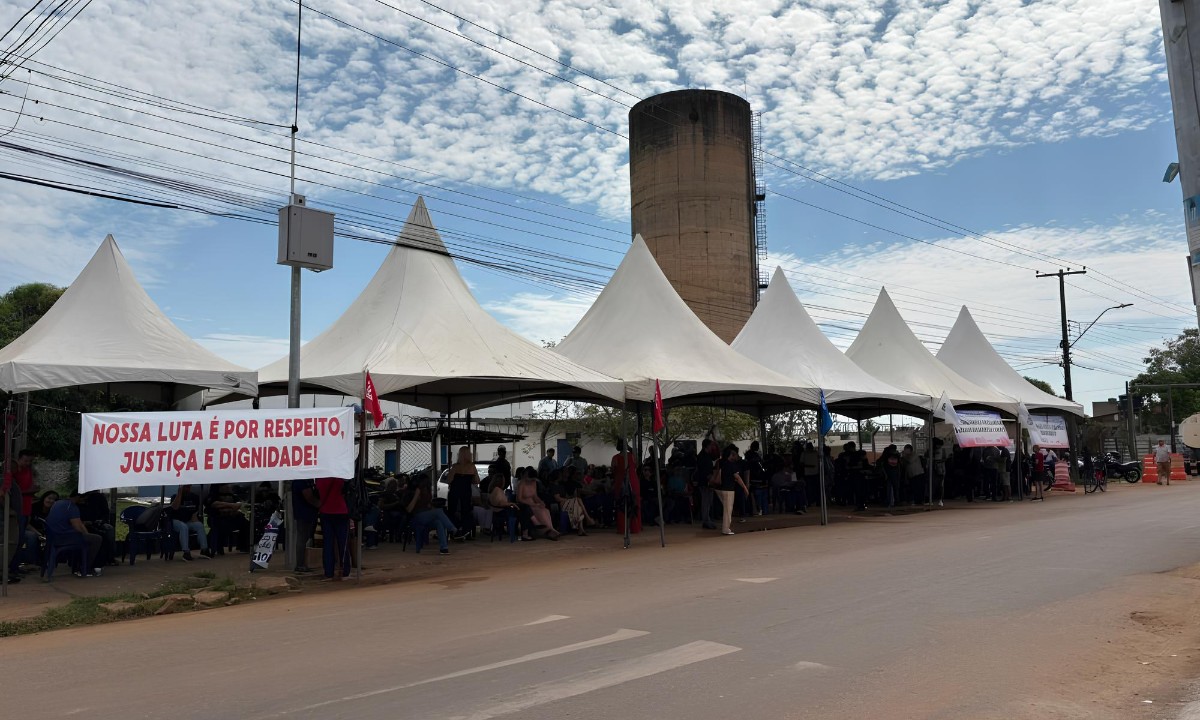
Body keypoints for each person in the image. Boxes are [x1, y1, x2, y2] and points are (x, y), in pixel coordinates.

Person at [44, 492, 102, 577]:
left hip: (53, 535)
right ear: (78, 497)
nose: (84, 502)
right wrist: (87, 534)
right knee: (96, 539)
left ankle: (78, 566)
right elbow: (77, 527)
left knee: (87, 538)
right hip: (63, 538)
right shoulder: (71, 507)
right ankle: (85, 567)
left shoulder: (58, 503)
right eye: (84, 499)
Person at [404, 473, 459, 553]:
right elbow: (409, 510)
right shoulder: (415, 491)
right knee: (438, 511)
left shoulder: (427, 493)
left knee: (439, 522)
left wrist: (431, 506)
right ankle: (454, 530)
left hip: (427, 516)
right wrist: (416, 496)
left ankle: (444, 548)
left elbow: (429, 506)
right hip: (417, 517)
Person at [4, 449, 34, 577]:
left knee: (21, 540)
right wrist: (28, 491)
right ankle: (11, 567)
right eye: (25, 460)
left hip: (27, 508)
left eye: (29, 461)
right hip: (18, 510)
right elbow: (12, 491)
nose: (27, 463)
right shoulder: (14, 471)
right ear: (19, 458)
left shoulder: (28, 470)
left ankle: (16, 565)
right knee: (15, 539)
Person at [316, 476, 351, 577]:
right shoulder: (340, 477)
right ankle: (345, 569)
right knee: (343, 542)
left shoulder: (320, 478)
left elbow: (319, 493)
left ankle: (328, 571)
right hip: (341, 511)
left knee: (328, 543)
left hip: (325, 511)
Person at [169, 484, 211, 561]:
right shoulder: (175, 497)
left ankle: (204, 549)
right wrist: (180, 493)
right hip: (175, 521)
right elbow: (175, 507)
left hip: (188, 521)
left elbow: (194, 514)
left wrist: (195, 520)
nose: (187, 489)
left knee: (199, 525)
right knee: (183, 527)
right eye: (185, 487)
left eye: (189, 487)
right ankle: (186, 552)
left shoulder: (194, 497)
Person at [516, 467, 559, 539]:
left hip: (534, 504)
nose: (531, 481)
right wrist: (532, 504)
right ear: (526, 476)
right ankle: (548, 531)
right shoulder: (521, 483)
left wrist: (541, 502)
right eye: (530, 479)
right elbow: (519, 499)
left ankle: (551, 529)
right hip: (526, 505)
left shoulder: (534, 482)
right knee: (540, 512)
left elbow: (535, 496)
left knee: (545, 510)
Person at [206, 484, 250, 554]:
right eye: (225, 485)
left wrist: (232, 507)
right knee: (220, 526)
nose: (228, 487)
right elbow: (214, 504)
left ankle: (243, 546)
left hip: (231, 518)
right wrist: (231, 505)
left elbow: (238, 504)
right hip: (217, 519)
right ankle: (218, 548)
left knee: (246, 523)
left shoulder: (231, 495)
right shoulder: (213, 495)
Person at [447, 446, 479, 540]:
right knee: (466, 511)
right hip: (466, 492)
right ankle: (465, 531)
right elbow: (476, 481)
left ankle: (454, 530)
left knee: (453, 512)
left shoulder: (455, 467)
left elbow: (449, 480)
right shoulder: (472, 466)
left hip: (455, 492)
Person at [717, 445, 750, 535]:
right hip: (729, 489)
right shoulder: (731, 465)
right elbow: (737, 477)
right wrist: (745, 487)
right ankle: (726, 528)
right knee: (728, 510)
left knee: (726, 508)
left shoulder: (722, 463)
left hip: (720, 488)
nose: (736, 456)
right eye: (735, 455)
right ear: (731, 455)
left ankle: (726, 528)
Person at [290, 478, 320, 573]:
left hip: (308, 513)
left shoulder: (307, 480)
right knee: (302, 538)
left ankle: (302, 563)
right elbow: (309, 497)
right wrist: (320, 505)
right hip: (303, 514)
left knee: (305, 537)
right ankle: (300, 564)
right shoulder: (300, 481)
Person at [611, 440, 641, 534]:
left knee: (622, 503)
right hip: (632, 479)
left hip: (621, 481)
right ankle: (635, 526)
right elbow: (636, 465)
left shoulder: (615, 458)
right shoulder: (631, 456)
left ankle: (622, 527)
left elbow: (613, 469)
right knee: (634, 502)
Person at [696, 438, 720, 530]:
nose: (712, 447)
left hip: (707, 481)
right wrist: (710, 479)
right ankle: (706, 520)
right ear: (707, 446)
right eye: (711, 446)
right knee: (706, 502)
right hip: (705, 482)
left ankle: (707, 519)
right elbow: (704, 471)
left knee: (708, 501)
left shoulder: (706, 455)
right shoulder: (703, 456)